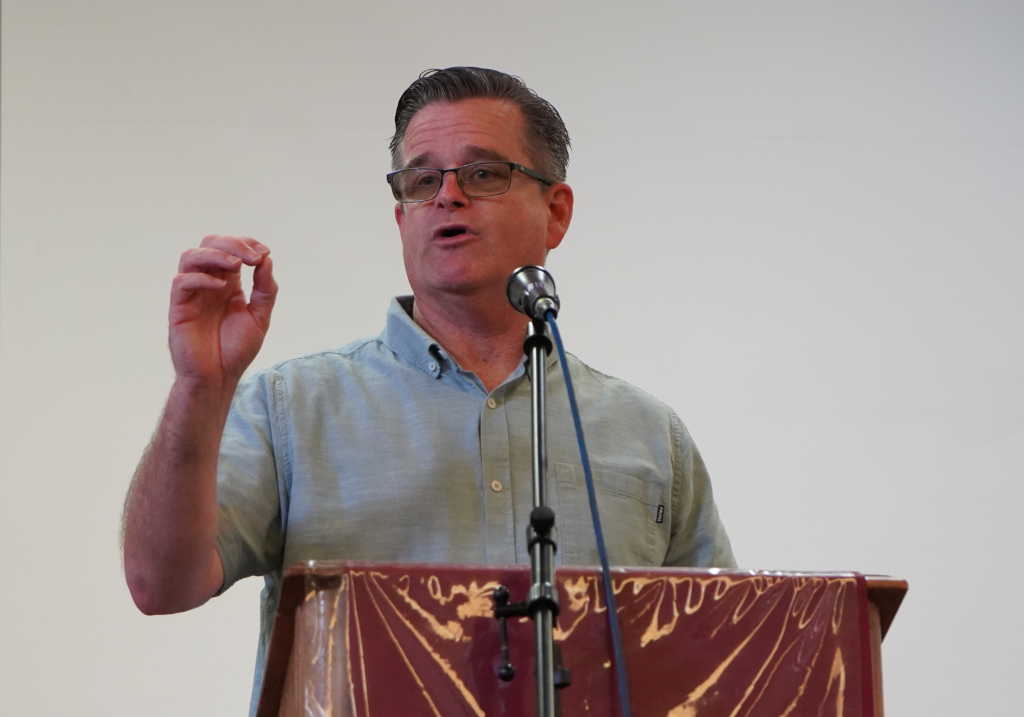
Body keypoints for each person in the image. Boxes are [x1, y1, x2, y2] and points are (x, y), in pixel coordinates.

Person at [122, 66, 735, 711]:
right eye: (422, 180)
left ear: (556, 212)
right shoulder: (293, 407)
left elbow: (718, 652)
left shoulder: (646, 433)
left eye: (482, 174)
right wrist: (200, 388)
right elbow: (159, 584)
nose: (446, 197)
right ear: (401, 216)